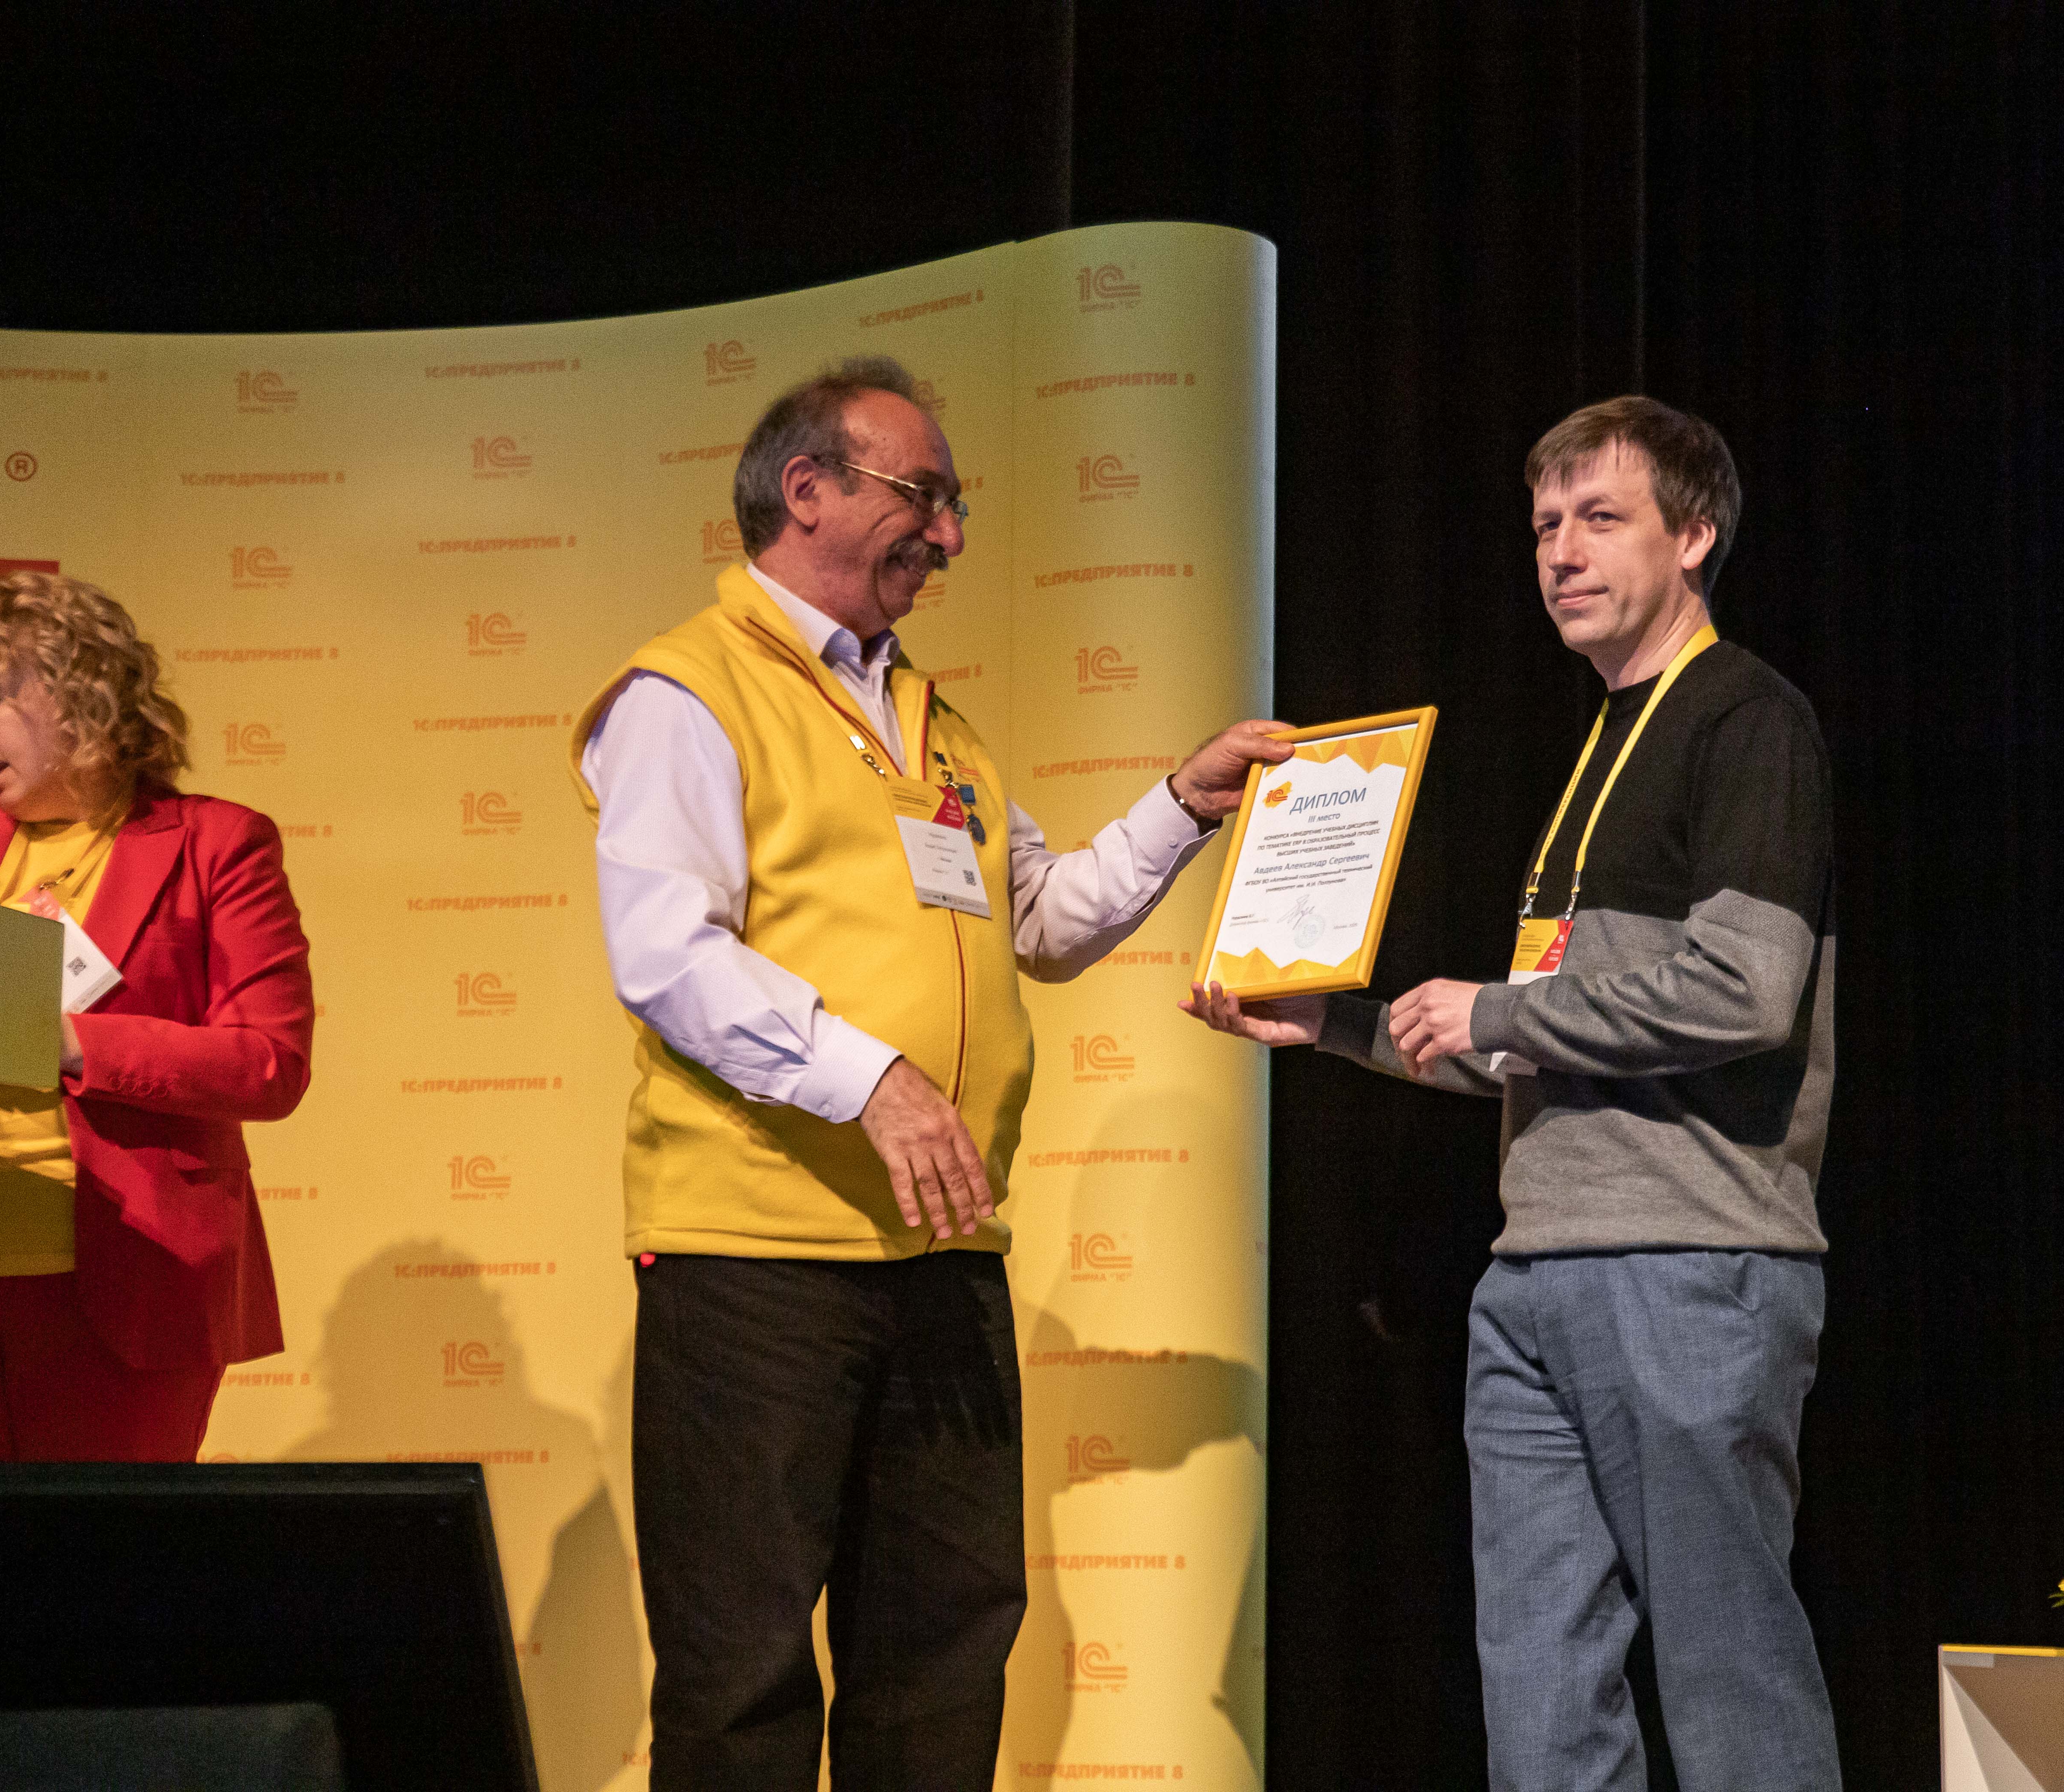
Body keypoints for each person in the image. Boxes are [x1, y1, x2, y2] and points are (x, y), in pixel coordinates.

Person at [569, 354, 1288, 1791]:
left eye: (957, 508)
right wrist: (875, 1080)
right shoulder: (688, 691)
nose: (952, 536)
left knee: (943, 1665)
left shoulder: (932, 722)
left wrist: (1182, 806)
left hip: (944, 1253)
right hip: (757, 1262)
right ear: (809, 490)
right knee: (743, 1677)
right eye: (928, 497)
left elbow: (1045, 921)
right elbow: (666, 955)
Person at [1187, 396, 1841, 1791]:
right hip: (1533, 1271)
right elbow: (1544, 1033)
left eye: (1600, 518)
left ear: (1696, 535)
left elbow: (1745, 993)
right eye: (1545, 525)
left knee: (1729, 1681)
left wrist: (1494, 1009)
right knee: (1541, 1695)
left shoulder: (1748, 720)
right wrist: (1337, 1023)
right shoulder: (1599, 741)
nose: (1561, 552)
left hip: (1689, 1264)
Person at [0, 571, 313, 1463]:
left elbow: (269, 1064)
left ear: (78, 694)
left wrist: (68, 1040)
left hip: (135, 1285)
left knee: (103, 1551)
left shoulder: (216, 843)